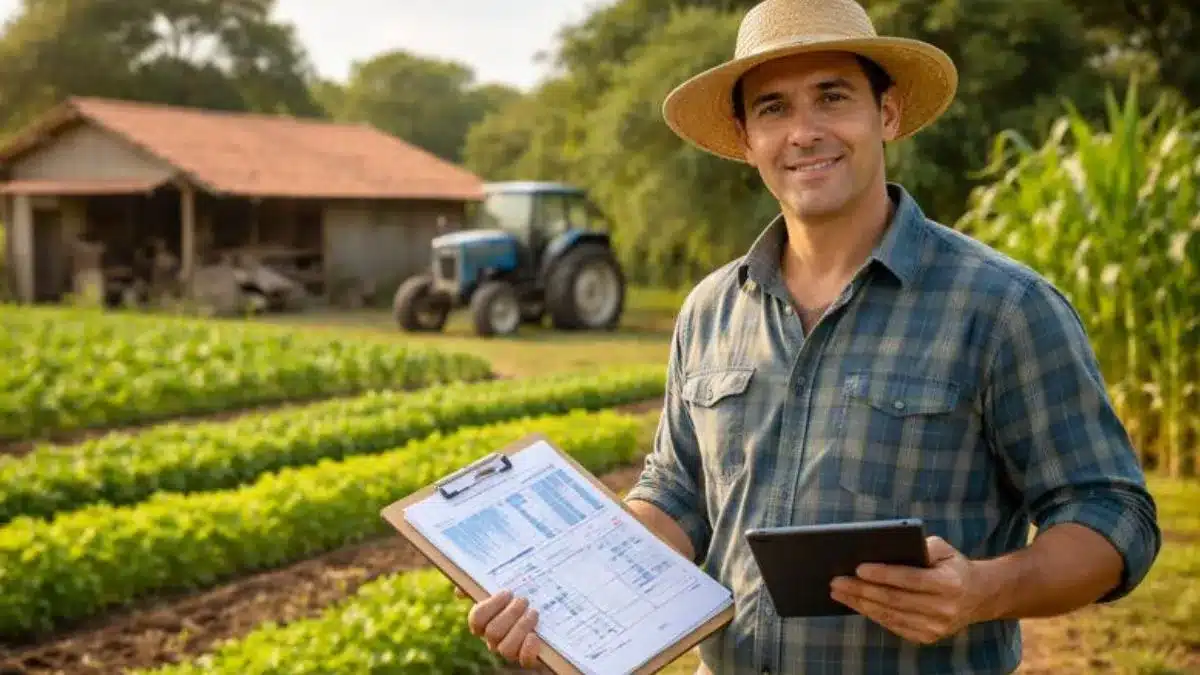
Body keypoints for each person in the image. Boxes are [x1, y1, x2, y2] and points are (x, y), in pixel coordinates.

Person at [463, 0, 1163, 672]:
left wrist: (982, 589)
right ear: (746, 139)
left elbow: (1111, 513)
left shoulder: (1004, 306)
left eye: (832, 97)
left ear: (885, 114)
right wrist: (562, 593)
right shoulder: (710, 310)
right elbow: (677, 492)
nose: (804, 132)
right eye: (774, 108)